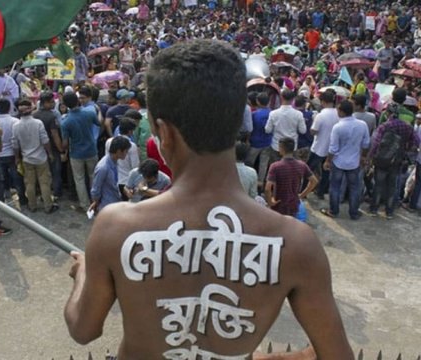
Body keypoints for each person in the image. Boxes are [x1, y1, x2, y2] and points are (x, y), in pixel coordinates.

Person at [64, 40, 353, 359]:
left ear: (163, 132)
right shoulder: (295, 244)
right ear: (237, 122)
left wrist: (84, 274)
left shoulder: (116, 228)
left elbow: (83, 329)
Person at [321, 100, 371, 220]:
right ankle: (353, 213)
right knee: (354, 188)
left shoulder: (338, 127)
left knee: (335, 187)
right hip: (354, 163)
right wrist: (363, 157)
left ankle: (333, 211)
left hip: (339, 162)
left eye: (338, 109)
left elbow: (333, 148)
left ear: (342, 112)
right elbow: (366, 144)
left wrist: (328, 161)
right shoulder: (362, 125)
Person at [368, 103, 419, 219]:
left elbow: (376, 143)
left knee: (378, 185)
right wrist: (406, 149)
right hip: (397, 160)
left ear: (388, 114)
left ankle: (374, 209)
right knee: (392, 186)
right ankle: (389, 212)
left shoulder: (384, 126)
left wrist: (370, 157)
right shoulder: (407, 127)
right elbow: (415, 142)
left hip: (382, 160)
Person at [12, 99, 58, 214]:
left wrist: (17, 158)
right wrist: (50, 153)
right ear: (30, 110)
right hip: (41, 158)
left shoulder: (16, 126)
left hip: (27, 159)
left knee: (29, 183)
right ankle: (48, 206)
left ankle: (32, 205)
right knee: (45, 182)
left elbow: (15, 145)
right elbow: (45, 140)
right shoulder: (38, 123)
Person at [61, 92, 99, 212]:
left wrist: (63, 150)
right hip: (91, 150)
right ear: (77, 100)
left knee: (79, 179)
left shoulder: (66, 121)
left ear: (65, 105)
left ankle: (85, 204)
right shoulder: (90, 113)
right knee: (93, 176)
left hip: (76, 153)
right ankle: (95, 201)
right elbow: (99, 123)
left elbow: (65, 143)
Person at [266, 138, 318, 217]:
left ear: (281, 148)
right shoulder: (302, 165)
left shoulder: (275, 166)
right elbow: (314, 181)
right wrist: (301, 195)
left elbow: (267, 189)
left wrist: (270, 202)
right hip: (293, 204)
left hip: (279, 204)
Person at [33, 92, 65, 198]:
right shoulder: (52, 116)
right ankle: (56, 192)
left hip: (39, 149)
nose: (53, 104)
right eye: (51, 102)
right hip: (53, 148)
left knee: (42, 174)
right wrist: (61, 149)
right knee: (56, 172)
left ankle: (44, 193)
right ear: (45, 103)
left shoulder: (34, 115)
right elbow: (55, 135)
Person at [0, 99, 27, 205]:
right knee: (17, 177)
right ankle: (22, 198)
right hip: (13, 154)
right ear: (9, 108)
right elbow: (19, 139)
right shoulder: (15, 121)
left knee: (2, 178)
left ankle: (5, 198)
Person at [307, 90, 338, 199]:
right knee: (326, 171)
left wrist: (313, 120)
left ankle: (304, 190)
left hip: (319, 147)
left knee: (308, 170)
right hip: (331, 149)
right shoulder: (338, 113)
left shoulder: (320, 115)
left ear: (323, 101)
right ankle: (321, 191)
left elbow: (313, 131)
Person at [265, 89, 307, 166]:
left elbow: (267, 130)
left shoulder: (273, 113)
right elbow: (303, 131)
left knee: (276, 167)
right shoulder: (298, 114)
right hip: (292, 147)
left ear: (281, 97)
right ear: (293, 99)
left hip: (276, 146)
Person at [89, 136, 131, 214]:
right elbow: (95, 189)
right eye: (125, 151)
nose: (126, 154)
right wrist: (96, 202)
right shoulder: (103, 167)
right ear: (119, 151)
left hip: (114, 200)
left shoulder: (114, 162)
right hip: (106, 205)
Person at [105, 118, 140, 200]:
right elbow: (135, 166)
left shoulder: (109, 142)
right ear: (130, 131)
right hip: (127, 181)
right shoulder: (132, 146)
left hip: (113, 180)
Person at [247, 92, 273, 187]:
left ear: (258, 102)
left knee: (250, 162)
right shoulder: (272, 113)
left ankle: (249, 180)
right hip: (267, 142)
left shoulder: (254, 114)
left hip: (255, 142)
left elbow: (250, 129)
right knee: (263, 164)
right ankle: (260, 182)